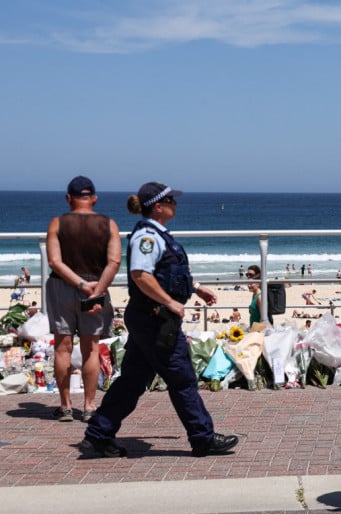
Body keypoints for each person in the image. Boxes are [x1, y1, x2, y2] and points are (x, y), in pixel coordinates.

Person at [82, 182, 238, 458]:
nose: (175, 205)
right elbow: (141, 275)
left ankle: (99, 432)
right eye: (171, 201)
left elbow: (167, 273)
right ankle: (202, 438)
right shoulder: (149, 237)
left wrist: (195, 287)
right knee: (182, 378)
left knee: (132, 380)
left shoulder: (158, 236)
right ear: (158, 206)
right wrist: (169, 302)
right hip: (155, 320)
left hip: (149, 319)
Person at [45, 176, 121, 423]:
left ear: (69, 198)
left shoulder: (57, 223)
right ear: (95, 198)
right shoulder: (109, 224)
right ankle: (89, 406)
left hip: (62, 286)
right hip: (96, 287)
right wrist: (96, 289)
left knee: (62, 346)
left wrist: (79, 284)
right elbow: (114, 262)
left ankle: (66, 406)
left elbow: (55, 261)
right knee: (90, 348)